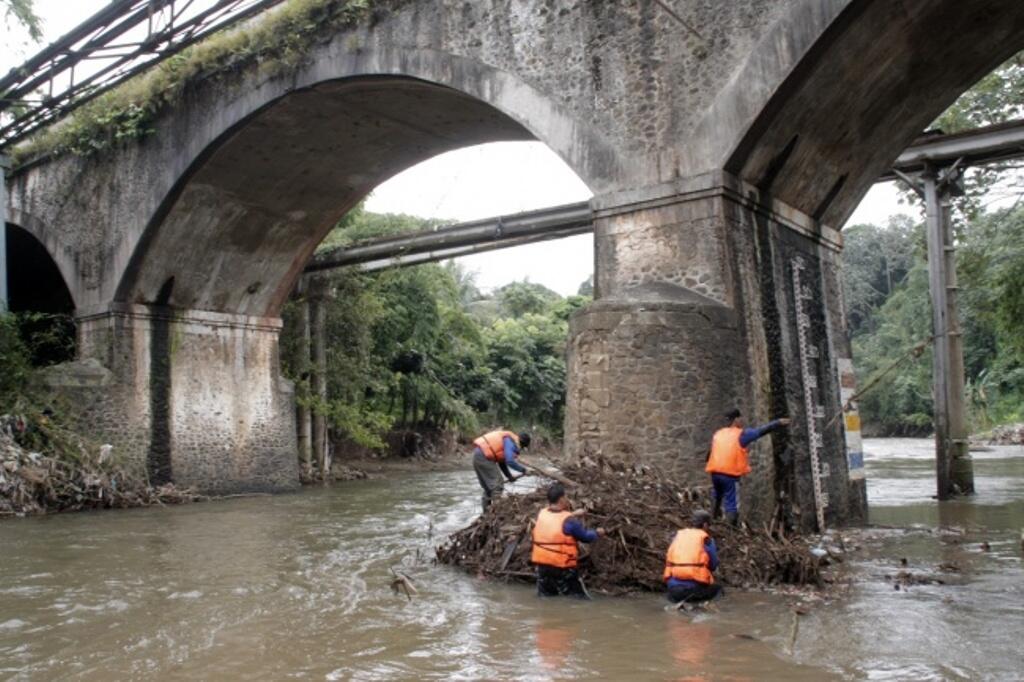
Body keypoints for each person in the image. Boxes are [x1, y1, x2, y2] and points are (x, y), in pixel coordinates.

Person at [705, 408, 789, 526]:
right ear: (736, 420)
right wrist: (778, 422)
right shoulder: (742, 435)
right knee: (732, 504)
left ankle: (712, 521)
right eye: (740, 418)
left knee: (717, 495)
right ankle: (730, 529)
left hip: (715, 473)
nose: (742, 421)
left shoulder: (718, 434)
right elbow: (761, 431)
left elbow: (710, 453)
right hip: (730, 475)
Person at [531, 483, 606, 598]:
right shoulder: (570, 522)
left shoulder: (542, 514)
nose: (567, 499)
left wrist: (573, 514)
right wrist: (597, 533)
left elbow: (556, 521)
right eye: (566, 496)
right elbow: (585, 537)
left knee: (547, 597)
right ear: (561, 499)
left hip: (543, 566)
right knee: (577, 599)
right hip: (562, 566)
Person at [664, 510, 721, 605]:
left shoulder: (678, 536)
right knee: (718, 590)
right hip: (693, 589)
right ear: (705, 525)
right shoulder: (706, 540)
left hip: (673, 590)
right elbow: (713, 565)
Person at [472, 429, 531, 511]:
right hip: (484, 458)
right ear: (522, 443)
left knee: (488, 487)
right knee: (497, 484)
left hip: (477, 456)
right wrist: (523, 470)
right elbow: (510, 461)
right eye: (523, 448)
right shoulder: (510, 442)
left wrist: (509, 476)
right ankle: (496, 511)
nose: (521, 449)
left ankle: (486, 512)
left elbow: (502, 462)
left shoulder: (508, 440)